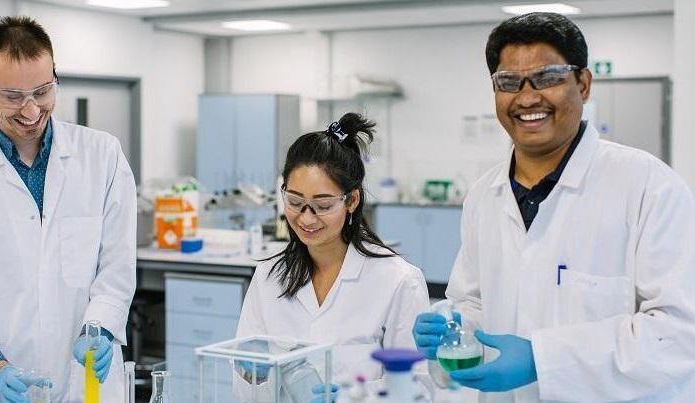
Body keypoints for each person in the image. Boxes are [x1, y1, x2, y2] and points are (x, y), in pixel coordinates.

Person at [413, 12, 695, 402]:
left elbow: (679, 335)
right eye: (508, 82)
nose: (527, 97)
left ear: (583, 83)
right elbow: (474, 302)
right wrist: (452, 325)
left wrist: (542, 359)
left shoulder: (649, 187)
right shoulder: (484, 195)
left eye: (547, 78)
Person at [0, 16, 136, 402]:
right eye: (14, 96)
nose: (32, 110)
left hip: (85, 382)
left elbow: (116, 267)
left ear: (55, 76)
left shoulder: (103, 156)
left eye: (42, 91)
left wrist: (99, 330)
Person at [235, 113, 431, 402]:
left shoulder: (398, 280)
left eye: (322, 205)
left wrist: (356, 396)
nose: (306, 218)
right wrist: (255, 375)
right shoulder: (268, 276)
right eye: (295, 202)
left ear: (352, 200)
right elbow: (243, 389)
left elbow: (419, 389)